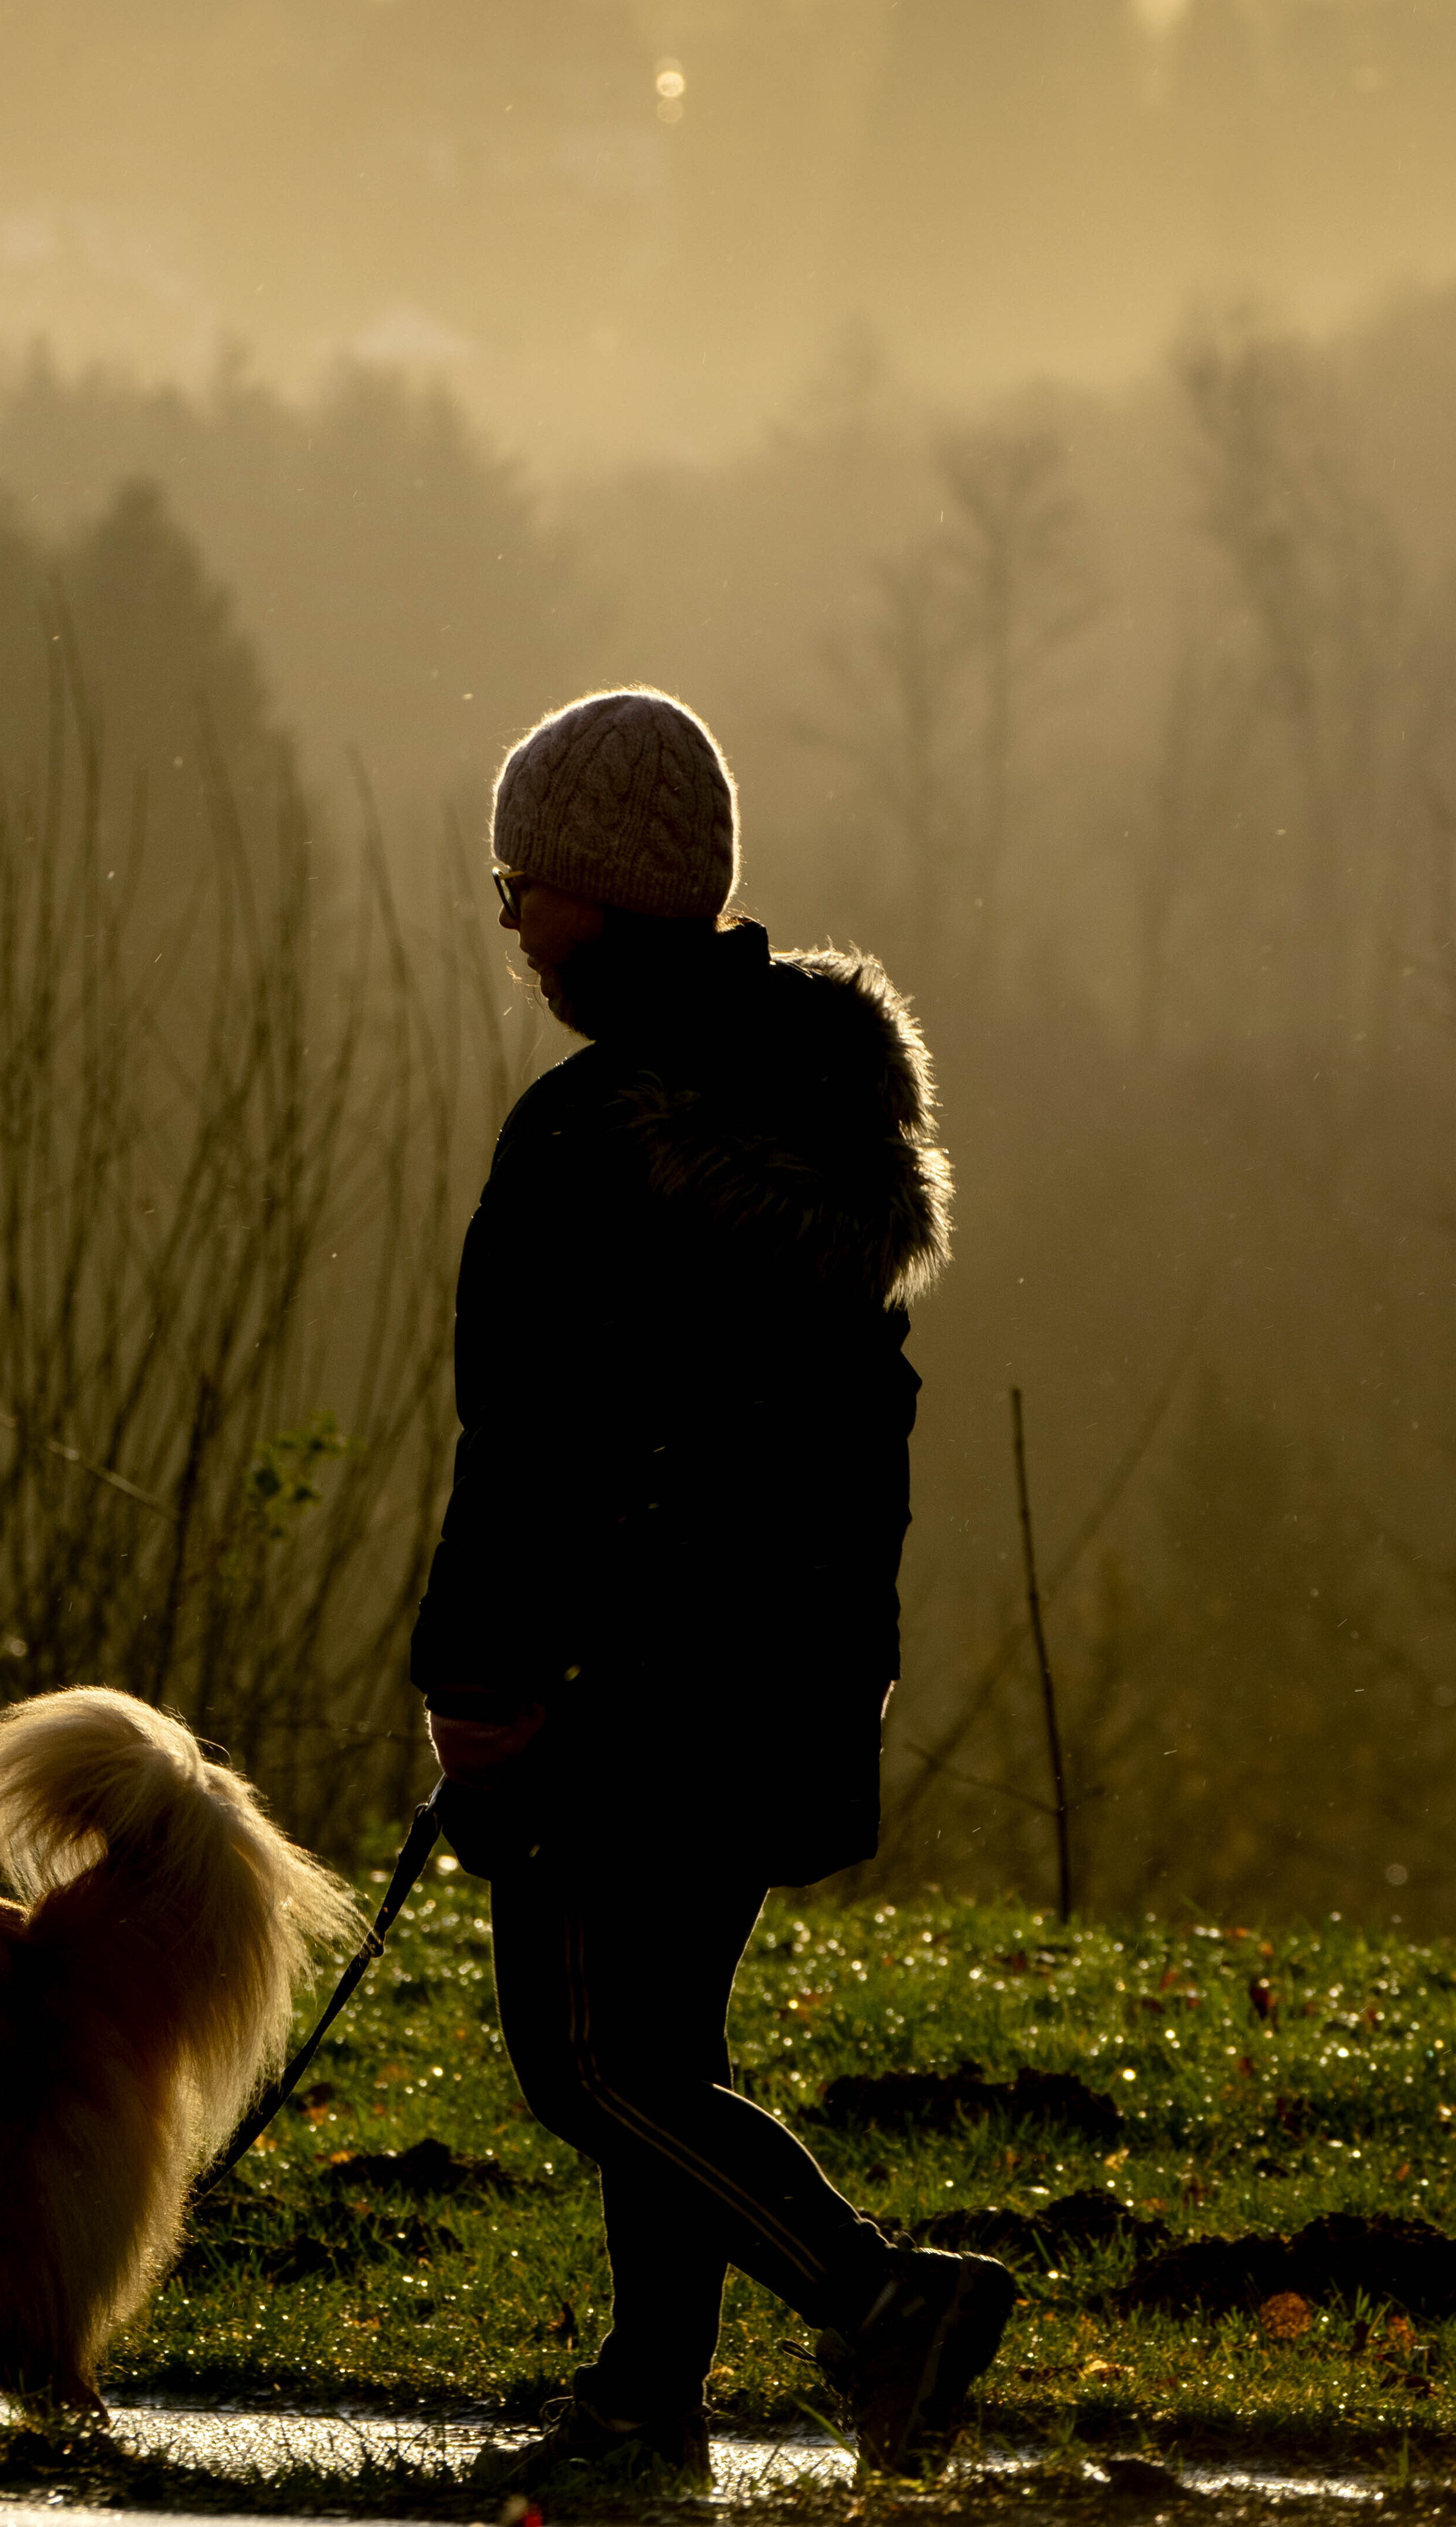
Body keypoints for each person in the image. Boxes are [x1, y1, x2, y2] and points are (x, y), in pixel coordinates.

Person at [413, 686, 1013, 2487]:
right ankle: (644, 2402)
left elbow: (529, 1440)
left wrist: (483, 1669)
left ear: (600, 892)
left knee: (586, 2065)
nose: (510, 916)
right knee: (666, 2044)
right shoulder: (821, 1123)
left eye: (523, 879)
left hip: (626, 1683)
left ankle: (879, 2296)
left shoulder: (590, 1141)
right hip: (795, 1668)